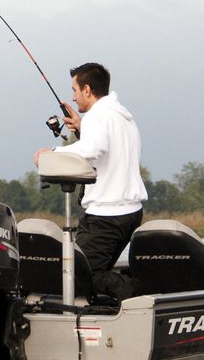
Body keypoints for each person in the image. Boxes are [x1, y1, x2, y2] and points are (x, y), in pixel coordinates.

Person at [33, 62, 147, 299]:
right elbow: (104, 148)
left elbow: (92, 149)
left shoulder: (99, 116)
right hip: (127, 213)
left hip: (108, 216)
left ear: (87, 89)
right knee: (87, 270)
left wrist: (50, 154)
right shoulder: (121, 116)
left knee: (77, 274)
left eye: (74, 90)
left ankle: (143, 294)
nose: (73, 98)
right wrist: (82, 128)